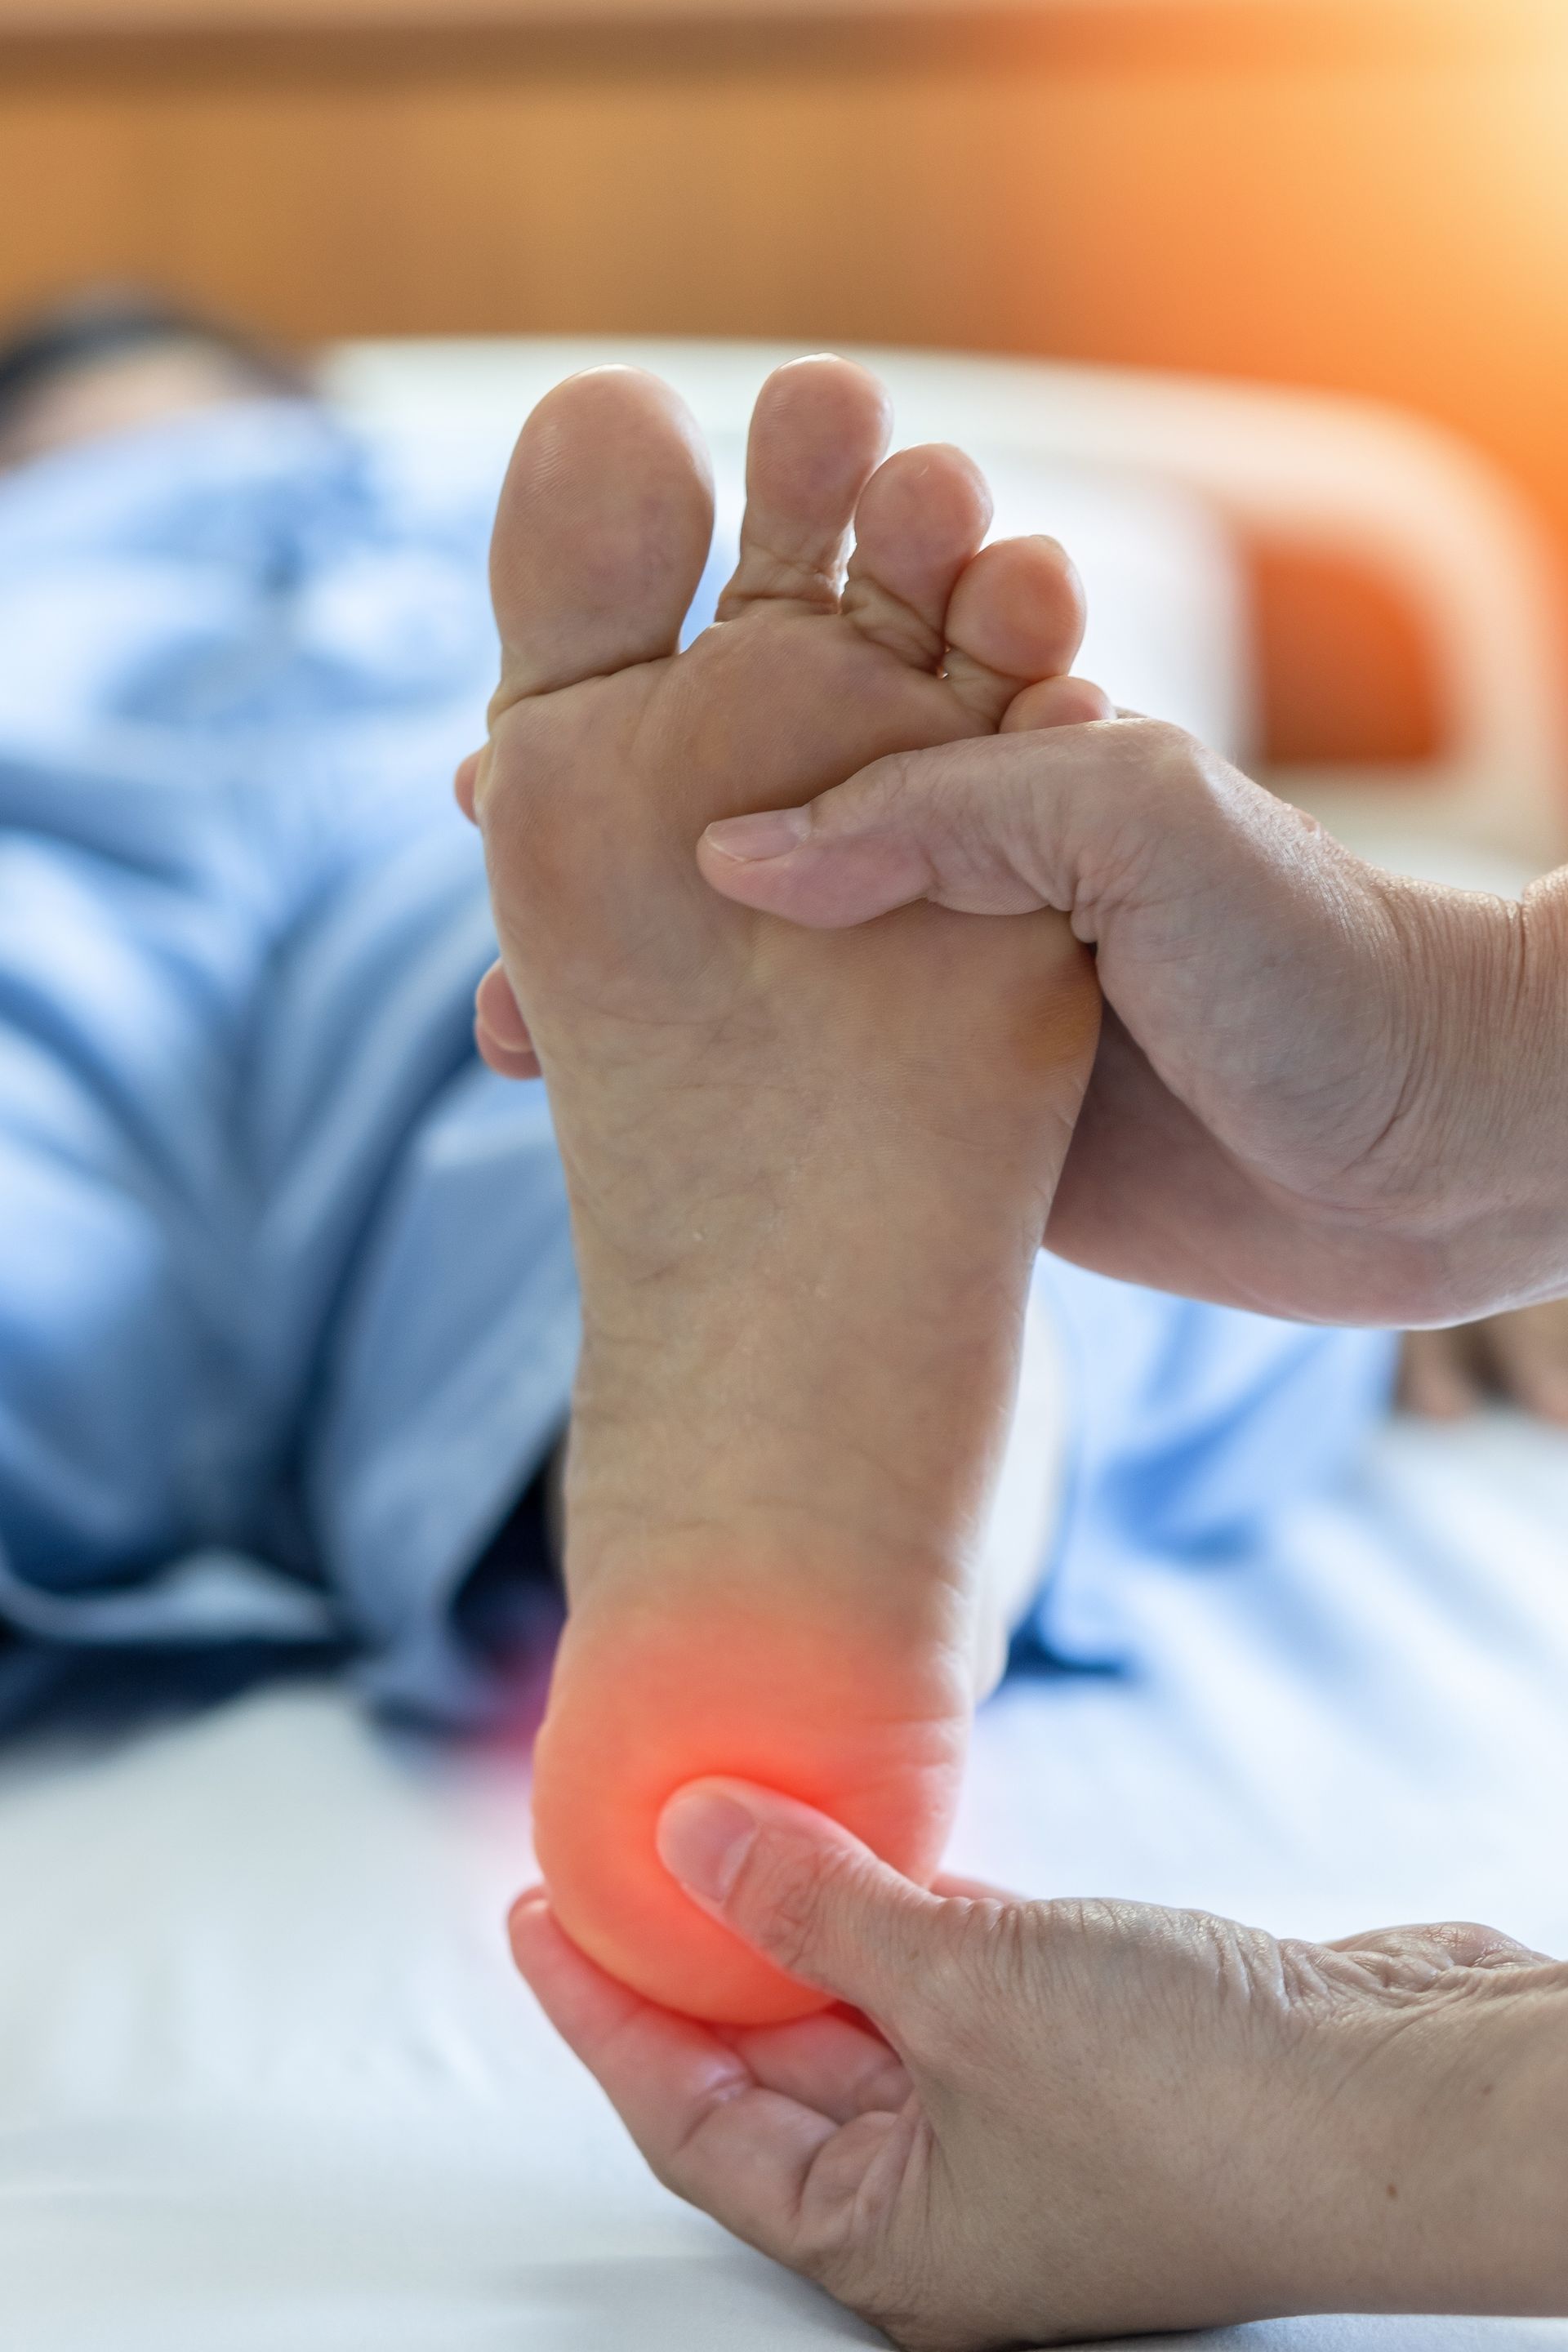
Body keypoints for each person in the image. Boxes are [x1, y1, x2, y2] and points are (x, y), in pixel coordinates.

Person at [470, 362, 1568, 2341]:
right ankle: (959, 1412)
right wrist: (1486, 1078)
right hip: (621, 861)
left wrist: (1500, 1086)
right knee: (934, 1060)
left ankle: (869, 1314)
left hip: (456, 868)